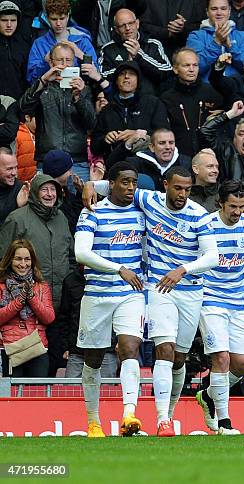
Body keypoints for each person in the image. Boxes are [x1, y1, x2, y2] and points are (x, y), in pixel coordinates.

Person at [82, 166, 219, 437]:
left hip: (190, 289)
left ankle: (169, 413)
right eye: (177, 188)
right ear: (165, 185)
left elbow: (212, 256)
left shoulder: (198, 215)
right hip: (158, 287)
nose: (182, 194)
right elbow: (114, 186)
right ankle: (161, 421)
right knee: (164, 350)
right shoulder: (149, 199)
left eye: (187, 189)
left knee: (179, 358)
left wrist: (183, 270)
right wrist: (89, 186)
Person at [195, 180, 244, 435]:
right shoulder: (206, 225)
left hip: (238, 303)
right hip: (210, 300)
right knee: (222, 358)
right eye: (232, 206)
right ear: (221, 202)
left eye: (241, 206)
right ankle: (224, 422)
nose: (237, 211)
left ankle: (208, 396)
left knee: (241, 363)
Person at [74, 161, 146, 438]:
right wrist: (119, 268)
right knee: (93, 358)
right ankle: (94, 422)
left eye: (134, 183)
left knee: (130, 347)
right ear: (111, 183)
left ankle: (129, 414)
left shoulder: (141, 213)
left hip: (131, 294)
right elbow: (81, 253)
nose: (130, 188)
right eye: (124, 182)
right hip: (97, 294)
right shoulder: (92, 212)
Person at [0, 173, 73, 377]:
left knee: (52, 361)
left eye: (53, 190)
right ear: (34, 192)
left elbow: (72, 254)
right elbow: (3, 257)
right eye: (44, 190)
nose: (50, 194)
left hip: (57, 303)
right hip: (22, 313)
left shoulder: (61, 218)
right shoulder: (17, 218)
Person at [20, 42, 97, 175]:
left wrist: (79, 98)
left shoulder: (83, 89)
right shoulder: (42, 87)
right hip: (47, 160)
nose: (65, 64)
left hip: (77, 161)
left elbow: (92, 123)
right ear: (51, 63)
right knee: (46, 196)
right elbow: (23, 107)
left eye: (68, 60)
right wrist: (43, 80)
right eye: (60, 60)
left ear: (74, 63)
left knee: (79, 196)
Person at [91, 61, 169, 161]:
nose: (126, 76)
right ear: (116, 80)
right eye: (122, 74)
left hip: (147, 163)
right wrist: (105, 139)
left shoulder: (153, 103)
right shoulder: (107, 108)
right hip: (116, 165)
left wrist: (138, 134)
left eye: (132, 74)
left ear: (138, 80)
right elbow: (95, 147)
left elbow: (164, 134)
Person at [0, 239, 55, 377]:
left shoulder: (41, 286)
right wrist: (19, 302)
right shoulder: (1, 285)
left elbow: (49, 317)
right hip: (9, 348)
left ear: (33, 261)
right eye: (18, 259)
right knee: (11, 397)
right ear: (10, 260)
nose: (23, 264)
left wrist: (31, 297)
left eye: (27, 259)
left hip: (37, 348)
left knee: (37, 395)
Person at [160, 47, 224, 158]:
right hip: (180, 157)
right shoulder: (166, 98)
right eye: (186, 65)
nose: (191, 69)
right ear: (175, 69)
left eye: (195, 65)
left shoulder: (212, 93)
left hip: (211, 155)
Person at [99, 8, 172, 96]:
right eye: (122, 25)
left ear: (137, 24)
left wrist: (139, 56)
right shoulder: (108, 49)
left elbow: (167, 71)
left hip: (150, 100)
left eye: (130, 23)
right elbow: (102, 76)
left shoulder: (153, 44)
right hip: (120, 101)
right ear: (116, 29)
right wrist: (127, 65)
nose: (128, 28)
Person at [26, 0, 97, 83]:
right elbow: (31, 79)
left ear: (67, 17)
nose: (58, 23)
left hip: (78, 91)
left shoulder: (82, 40)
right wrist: (45, 61)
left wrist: (81, 55)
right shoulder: (39, 44)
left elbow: (96, 71)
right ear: (47, 18)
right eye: (54, 19)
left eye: (62, 18)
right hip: (48, 93)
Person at [186, 0, 244, 82]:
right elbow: (195, 68)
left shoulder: (243, 37)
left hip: (236, 90)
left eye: (223, 9)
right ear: (207, 12)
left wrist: (231, 47)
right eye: (214, 9)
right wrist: (216, 43)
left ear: (229, 11)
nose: (219, 13)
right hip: (206, 89)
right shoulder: (196, 36)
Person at [124, 128, 192, 191]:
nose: (168, 147)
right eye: (162, 143)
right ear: (152, 147)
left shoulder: (185, 163)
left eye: (171, 143)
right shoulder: (136, 163)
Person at [0, 1, 29, 100]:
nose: (9, 25)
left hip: (18, 103)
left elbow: (27, 79)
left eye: (13, 20)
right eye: (4, 20)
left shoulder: (24, 45)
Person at [0, 148, 29, 225]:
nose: (14, 173)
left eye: (16, 167)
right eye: (9, 169)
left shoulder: (21, 189)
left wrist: (22, 207)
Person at [190, 149, 220, 213]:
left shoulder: (224, 193)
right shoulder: (184, 193)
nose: (215, 171)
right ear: (196, 169)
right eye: (210, 166)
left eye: (217, 167)